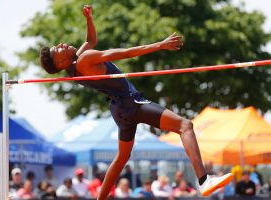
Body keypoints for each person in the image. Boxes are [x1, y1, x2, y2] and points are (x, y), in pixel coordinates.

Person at [39, 4, 233, 199]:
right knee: (185, 126)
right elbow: (126, 52)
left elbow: (91, 40)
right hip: (131, 103)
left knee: (122, 157)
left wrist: (89, 18)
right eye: (59, 50)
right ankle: (204, 180)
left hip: (119, 110)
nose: (63, 44)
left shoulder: (74, 68)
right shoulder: (85, 59)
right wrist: (160, 45)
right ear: (61, 63)